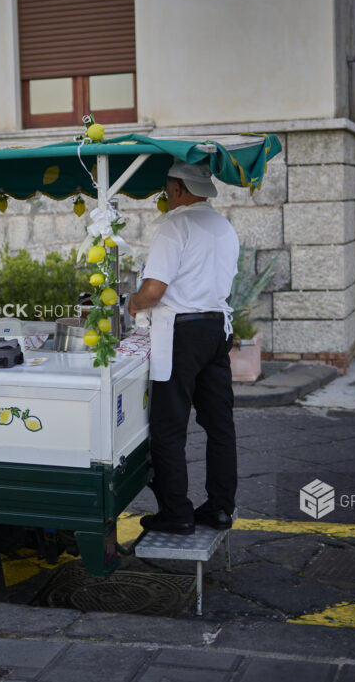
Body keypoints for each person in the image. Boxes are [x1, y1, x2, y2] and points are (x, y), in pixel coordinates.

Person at [128, 160, 239, 535]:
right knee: (219, 424)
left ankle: (177, 512)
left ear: (176, 189)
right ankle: (221, 508)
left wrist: (133, 301)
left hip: (181, 333)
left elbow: (154, 291)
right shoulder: (223, 227)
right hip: (216, 330)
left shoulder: (175, 225)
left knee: (168, 427)